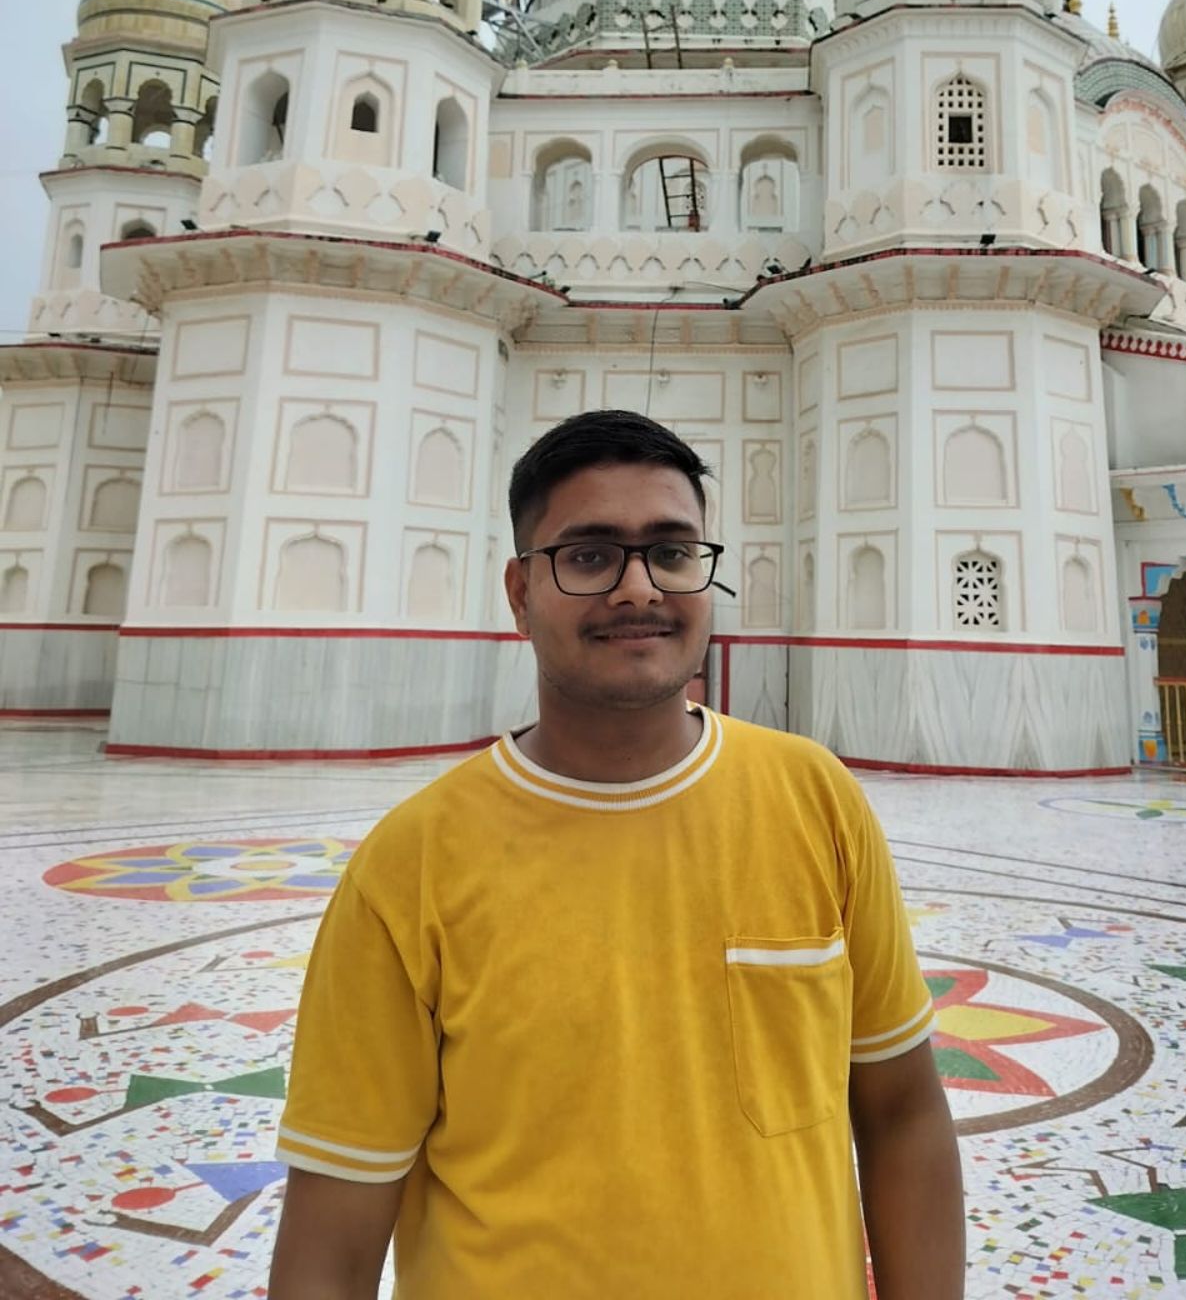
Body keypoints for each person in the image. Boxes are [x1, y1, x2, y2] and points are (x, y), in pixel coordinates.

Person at [268, 409, 964, 1300]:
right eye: (590, 556)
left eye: (671, 552)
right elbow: (334, 1232)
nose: (639, 588)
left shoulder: (813, 798)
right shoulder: (414, 864)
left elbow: (903, 1115)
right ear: (520, 592)